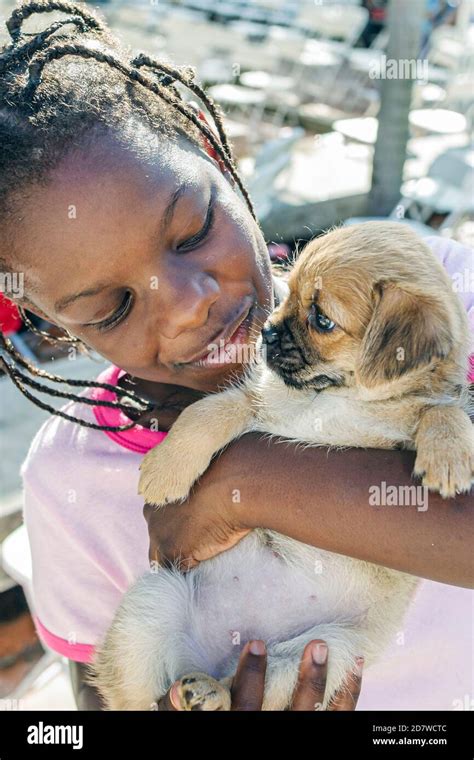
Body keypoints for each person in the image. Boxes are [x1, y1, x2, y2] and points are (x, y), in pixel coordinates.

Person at [0, 2, 472, 710]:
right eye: (114, 307)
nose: (191, 303)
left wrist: (237, 481)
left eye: (192, 232)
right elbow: (104, 694)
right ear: (48, 324)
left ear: (214, 153)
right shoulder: (72, 481)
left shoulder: (431, 287)